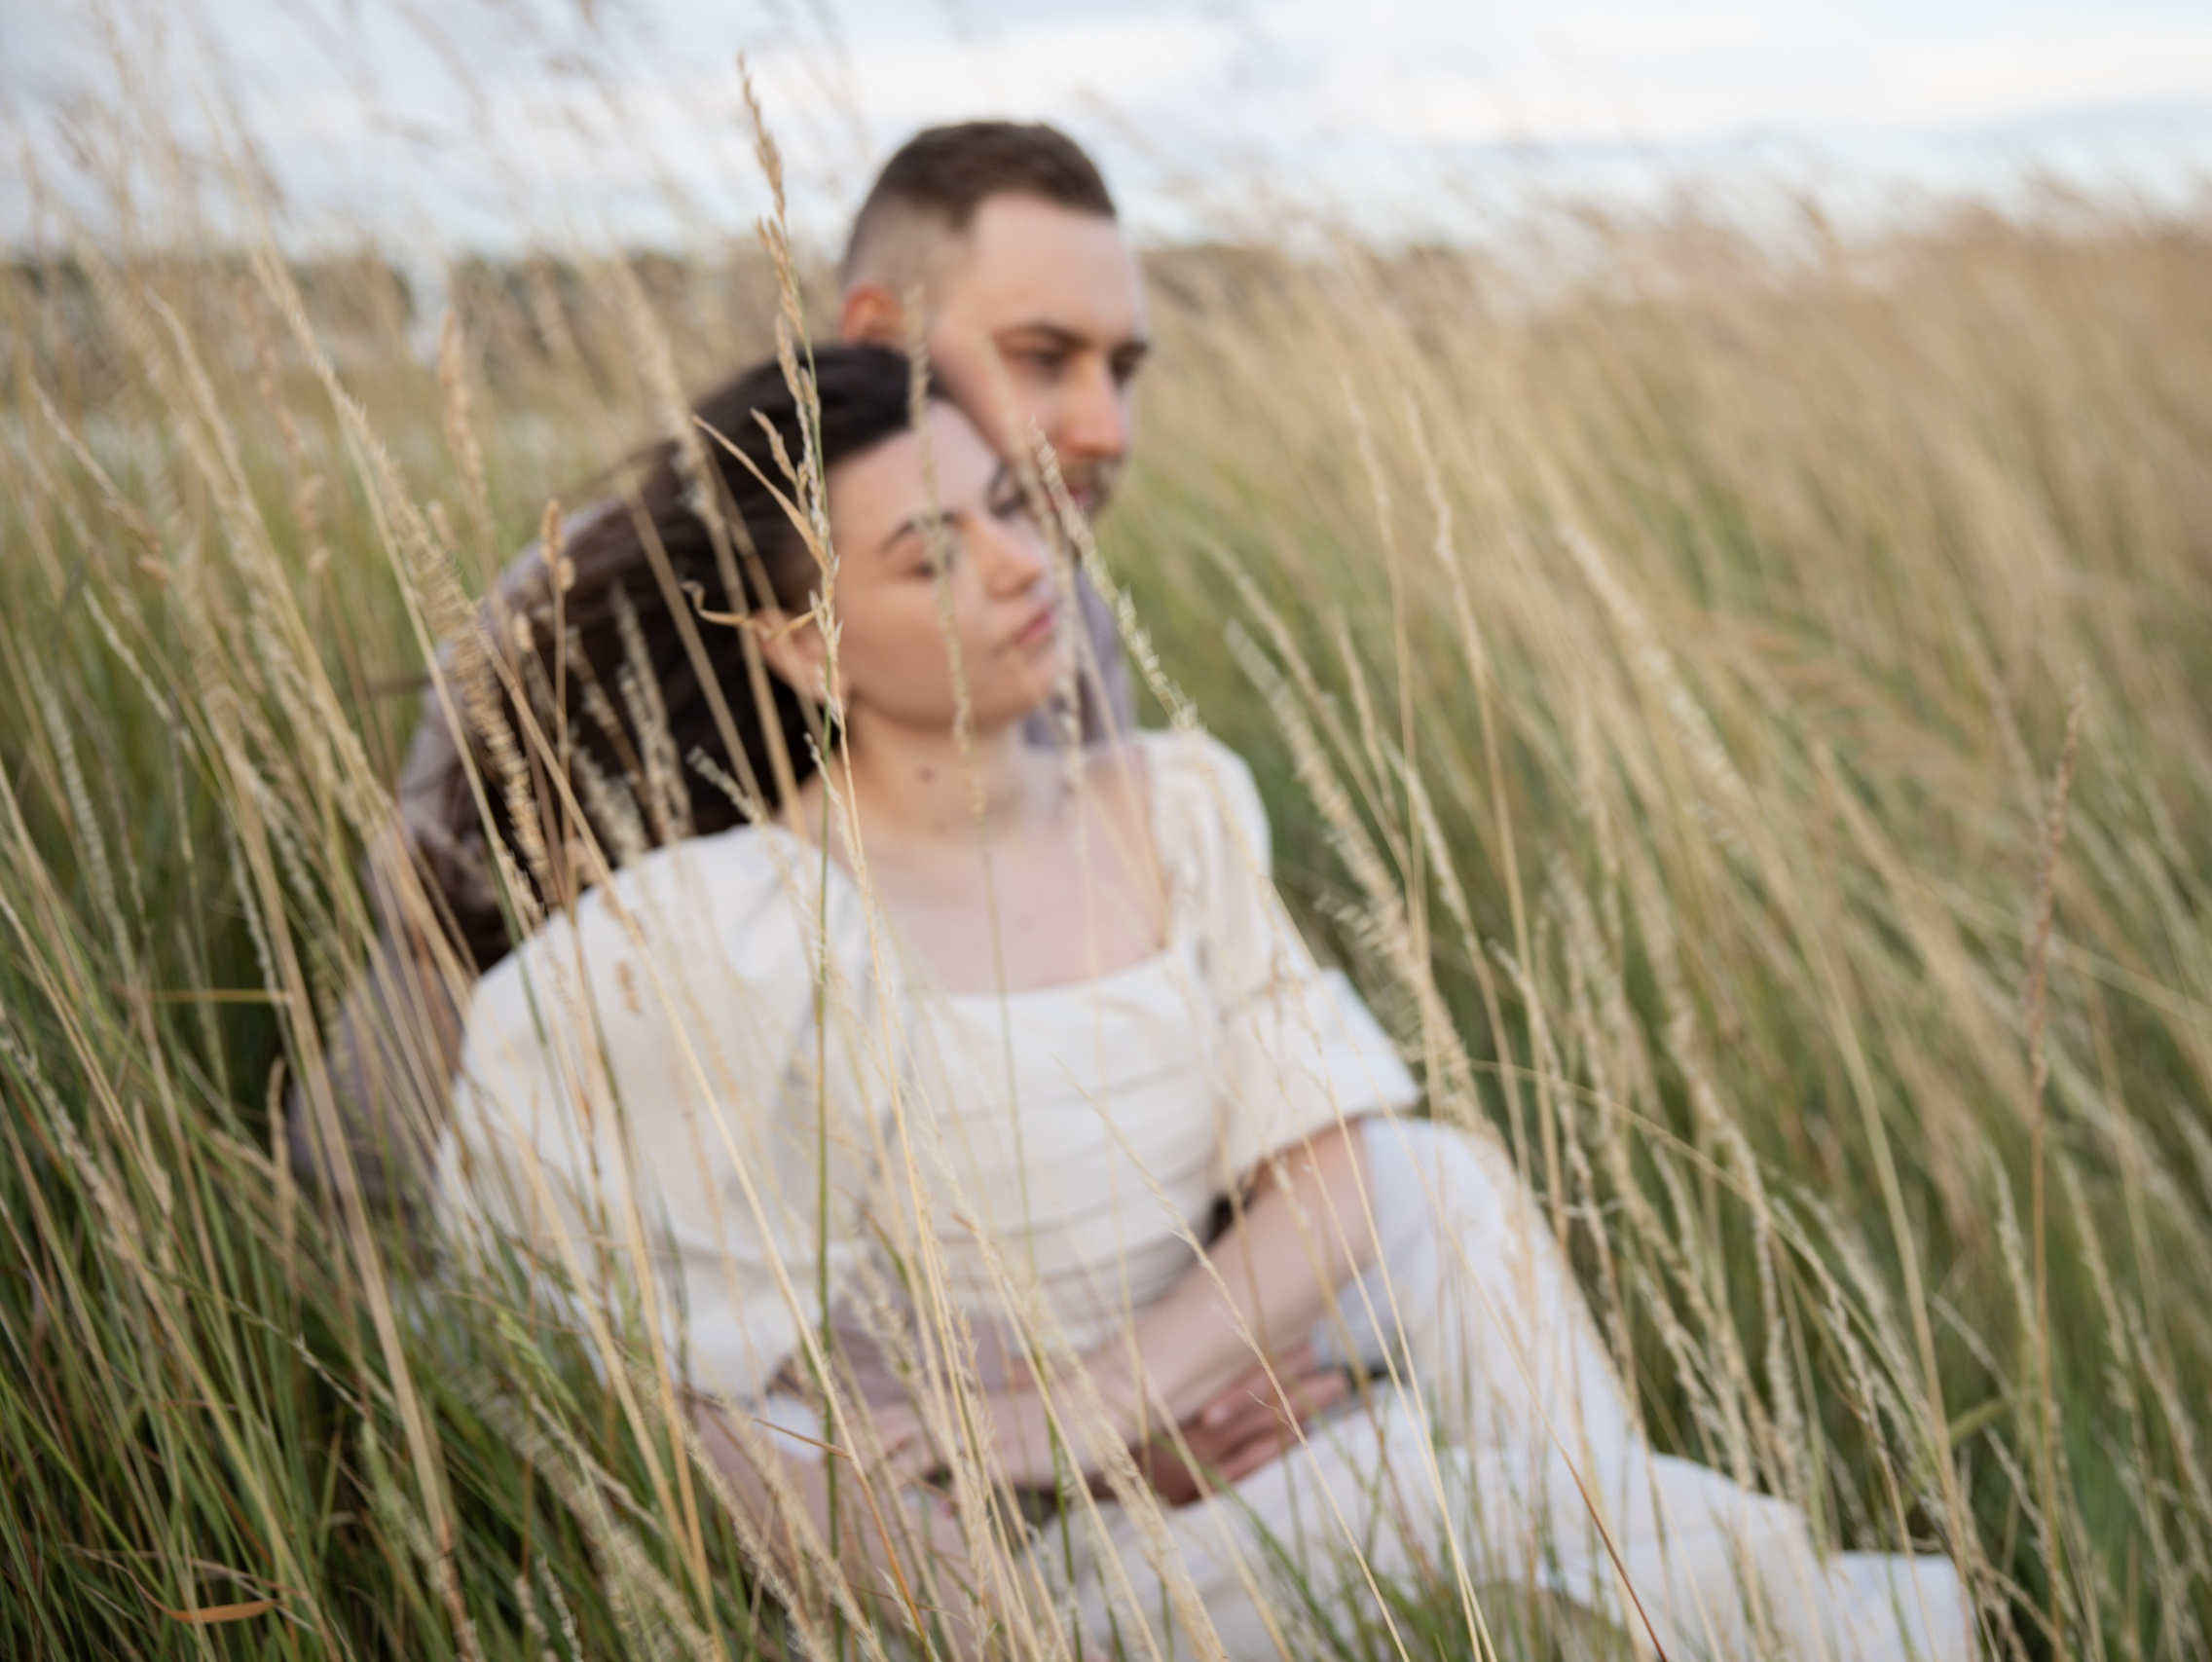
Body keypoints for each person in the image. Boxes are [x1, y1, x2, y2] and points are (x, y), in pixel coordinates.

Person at [435, 343, 1973, 1660]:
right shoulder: (731, 935)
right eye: (933, 551)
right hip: (1045, 1570)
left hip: (1209, 1393)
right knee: (1502, 1512)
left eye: (1011, 503)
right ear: (798, 644)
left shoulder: (1175, 804)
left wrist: (1094, 1402)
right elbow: (688, 1390)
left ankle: (1617, 1560)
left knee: (1440, 1184)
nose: (1030, 562)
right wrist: (1045, 1470)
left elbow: (1333, 1166)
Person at [293, 120, 1149, 1200]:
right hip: (483, 1221)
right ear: (881, 335)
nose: (1106, 426)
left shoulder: (1053, 604)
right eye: (1043, 358)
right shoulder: (593, 602)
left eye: (1123, 369)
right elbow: (462, 981)